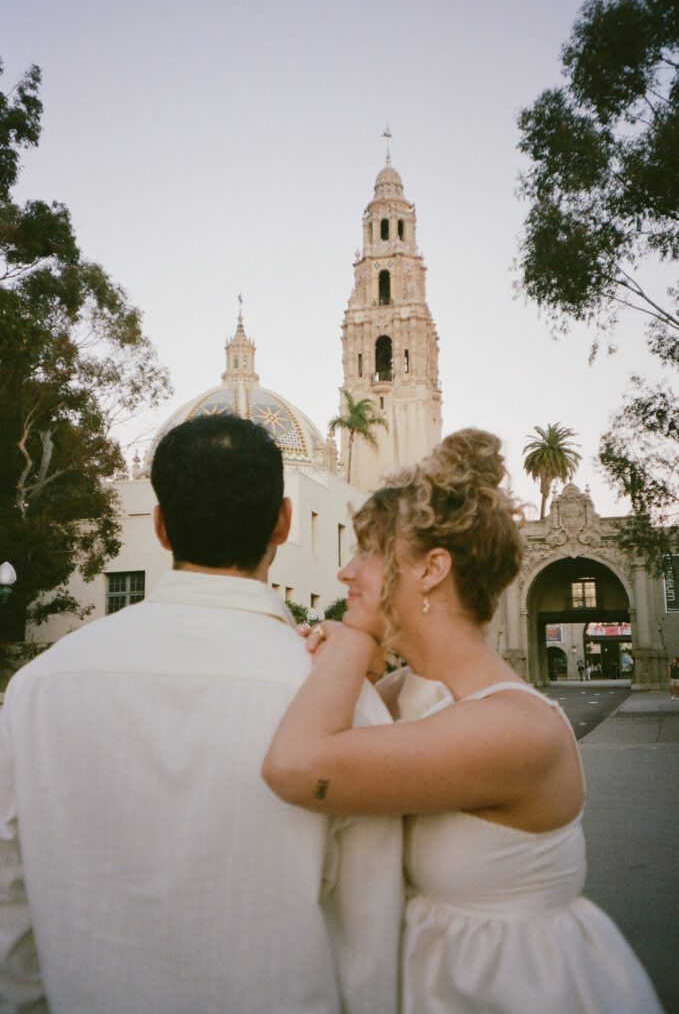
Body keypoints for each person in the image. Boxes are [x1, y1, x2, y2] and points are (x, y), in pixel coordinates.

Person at [0, 414, 402, 1014]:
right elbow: (369, 943)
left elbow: (9, 913)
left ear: (160, 526)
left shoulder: (38, 688)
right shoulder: (341, 702)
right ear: (284, 522)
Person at [263, 428, 664, 1014]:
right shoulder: (406, 692)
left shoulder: (513, 728)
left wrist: (353, 639)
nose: (347, 572)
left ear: (432, 569)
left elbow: (296, 765)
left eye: (369, 551)